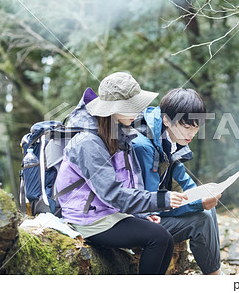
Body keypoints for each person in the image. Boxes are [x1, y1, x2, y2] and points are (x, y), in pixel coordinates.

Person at [54, 72, 187, 275]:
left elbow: (129, 183)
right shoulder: (87, 143)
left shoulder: (118, 134)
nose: (138, 110)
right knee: (158, 239)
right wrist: (162, 199)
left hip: (108, 212)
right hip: (87, 219)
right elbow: (114, 194)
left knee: (165, 238)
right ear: (113, 109)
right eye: (130, 106)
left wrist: (140, 214)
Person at [132, 88, 223, 275]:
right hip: (137, 219)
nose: (191, 133)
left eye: (196, 127)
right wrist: (197, 204)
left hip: (151, 211)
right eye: (187, 126)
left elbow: (183, 181)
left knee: (208, 209)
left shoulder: (171, 140)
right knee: (202, 219)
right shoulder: (144, 146)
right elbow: (150, 205)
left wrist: (202, 194)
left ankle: (214, 272)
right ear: (166, 119)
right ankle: (215, 277)